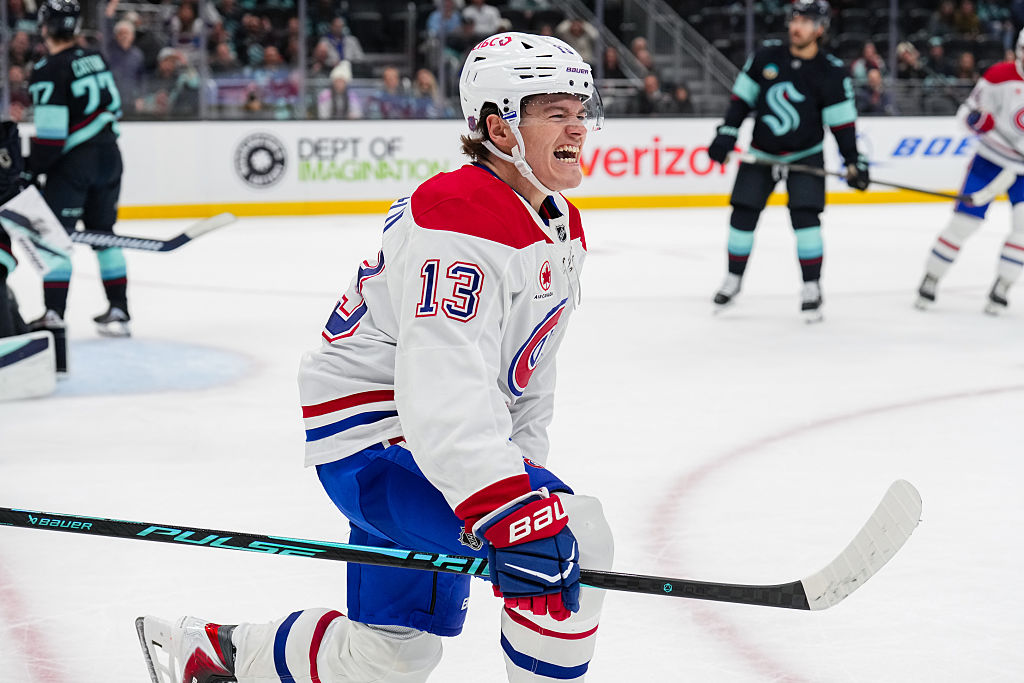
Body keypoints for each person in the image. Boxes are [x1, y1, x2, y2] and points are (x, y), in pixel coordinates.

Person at [136, 31, 614, 683]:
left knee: (388, 657)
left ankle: (214, 653)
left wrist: (522, 469)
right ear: (500, 128)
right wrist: (509, 504)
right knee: (575, 535)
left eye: (581, 111)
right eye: (556, 113)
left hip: (428, 446)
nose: (578, 127)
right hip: (379, 445)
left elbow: (527, 372)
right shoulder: (460, 215)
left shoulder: (558, 223)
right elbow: (438, 384)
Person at [706, 0, 869, 322]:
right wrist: (727, 134)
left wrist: (854, 161)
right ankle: (733, 278)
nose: (797, 26)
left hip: (805, 155)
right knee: (742, 215)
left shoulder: (831, 71)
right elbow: (740, 101)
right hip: (761, 153)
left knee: (806, 220)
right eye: (795, 19)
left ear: (820, 29)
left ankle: (811, 286)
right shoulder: (765, 57)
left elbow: (842, 124)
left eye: (806, 21)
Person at [25, 0, 131, 339]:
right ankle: (119, 311)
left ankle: (54, 315)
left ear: (44, 27)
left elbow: (51, 140)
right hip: (110, 157)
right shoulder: (95, 57)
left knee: (53, 237)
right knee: (105, 235)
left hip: (74, 166)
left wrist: (27, 170)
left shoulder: (48, 69)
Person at [915, 29, 1024, 315]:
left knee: (1023, 230)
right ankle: (932, 276)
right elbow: (965, 115)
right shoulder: (999, 76)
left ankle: (1003, 285)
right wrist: (977, 121)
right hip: (990, 160)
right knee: (964, 223)